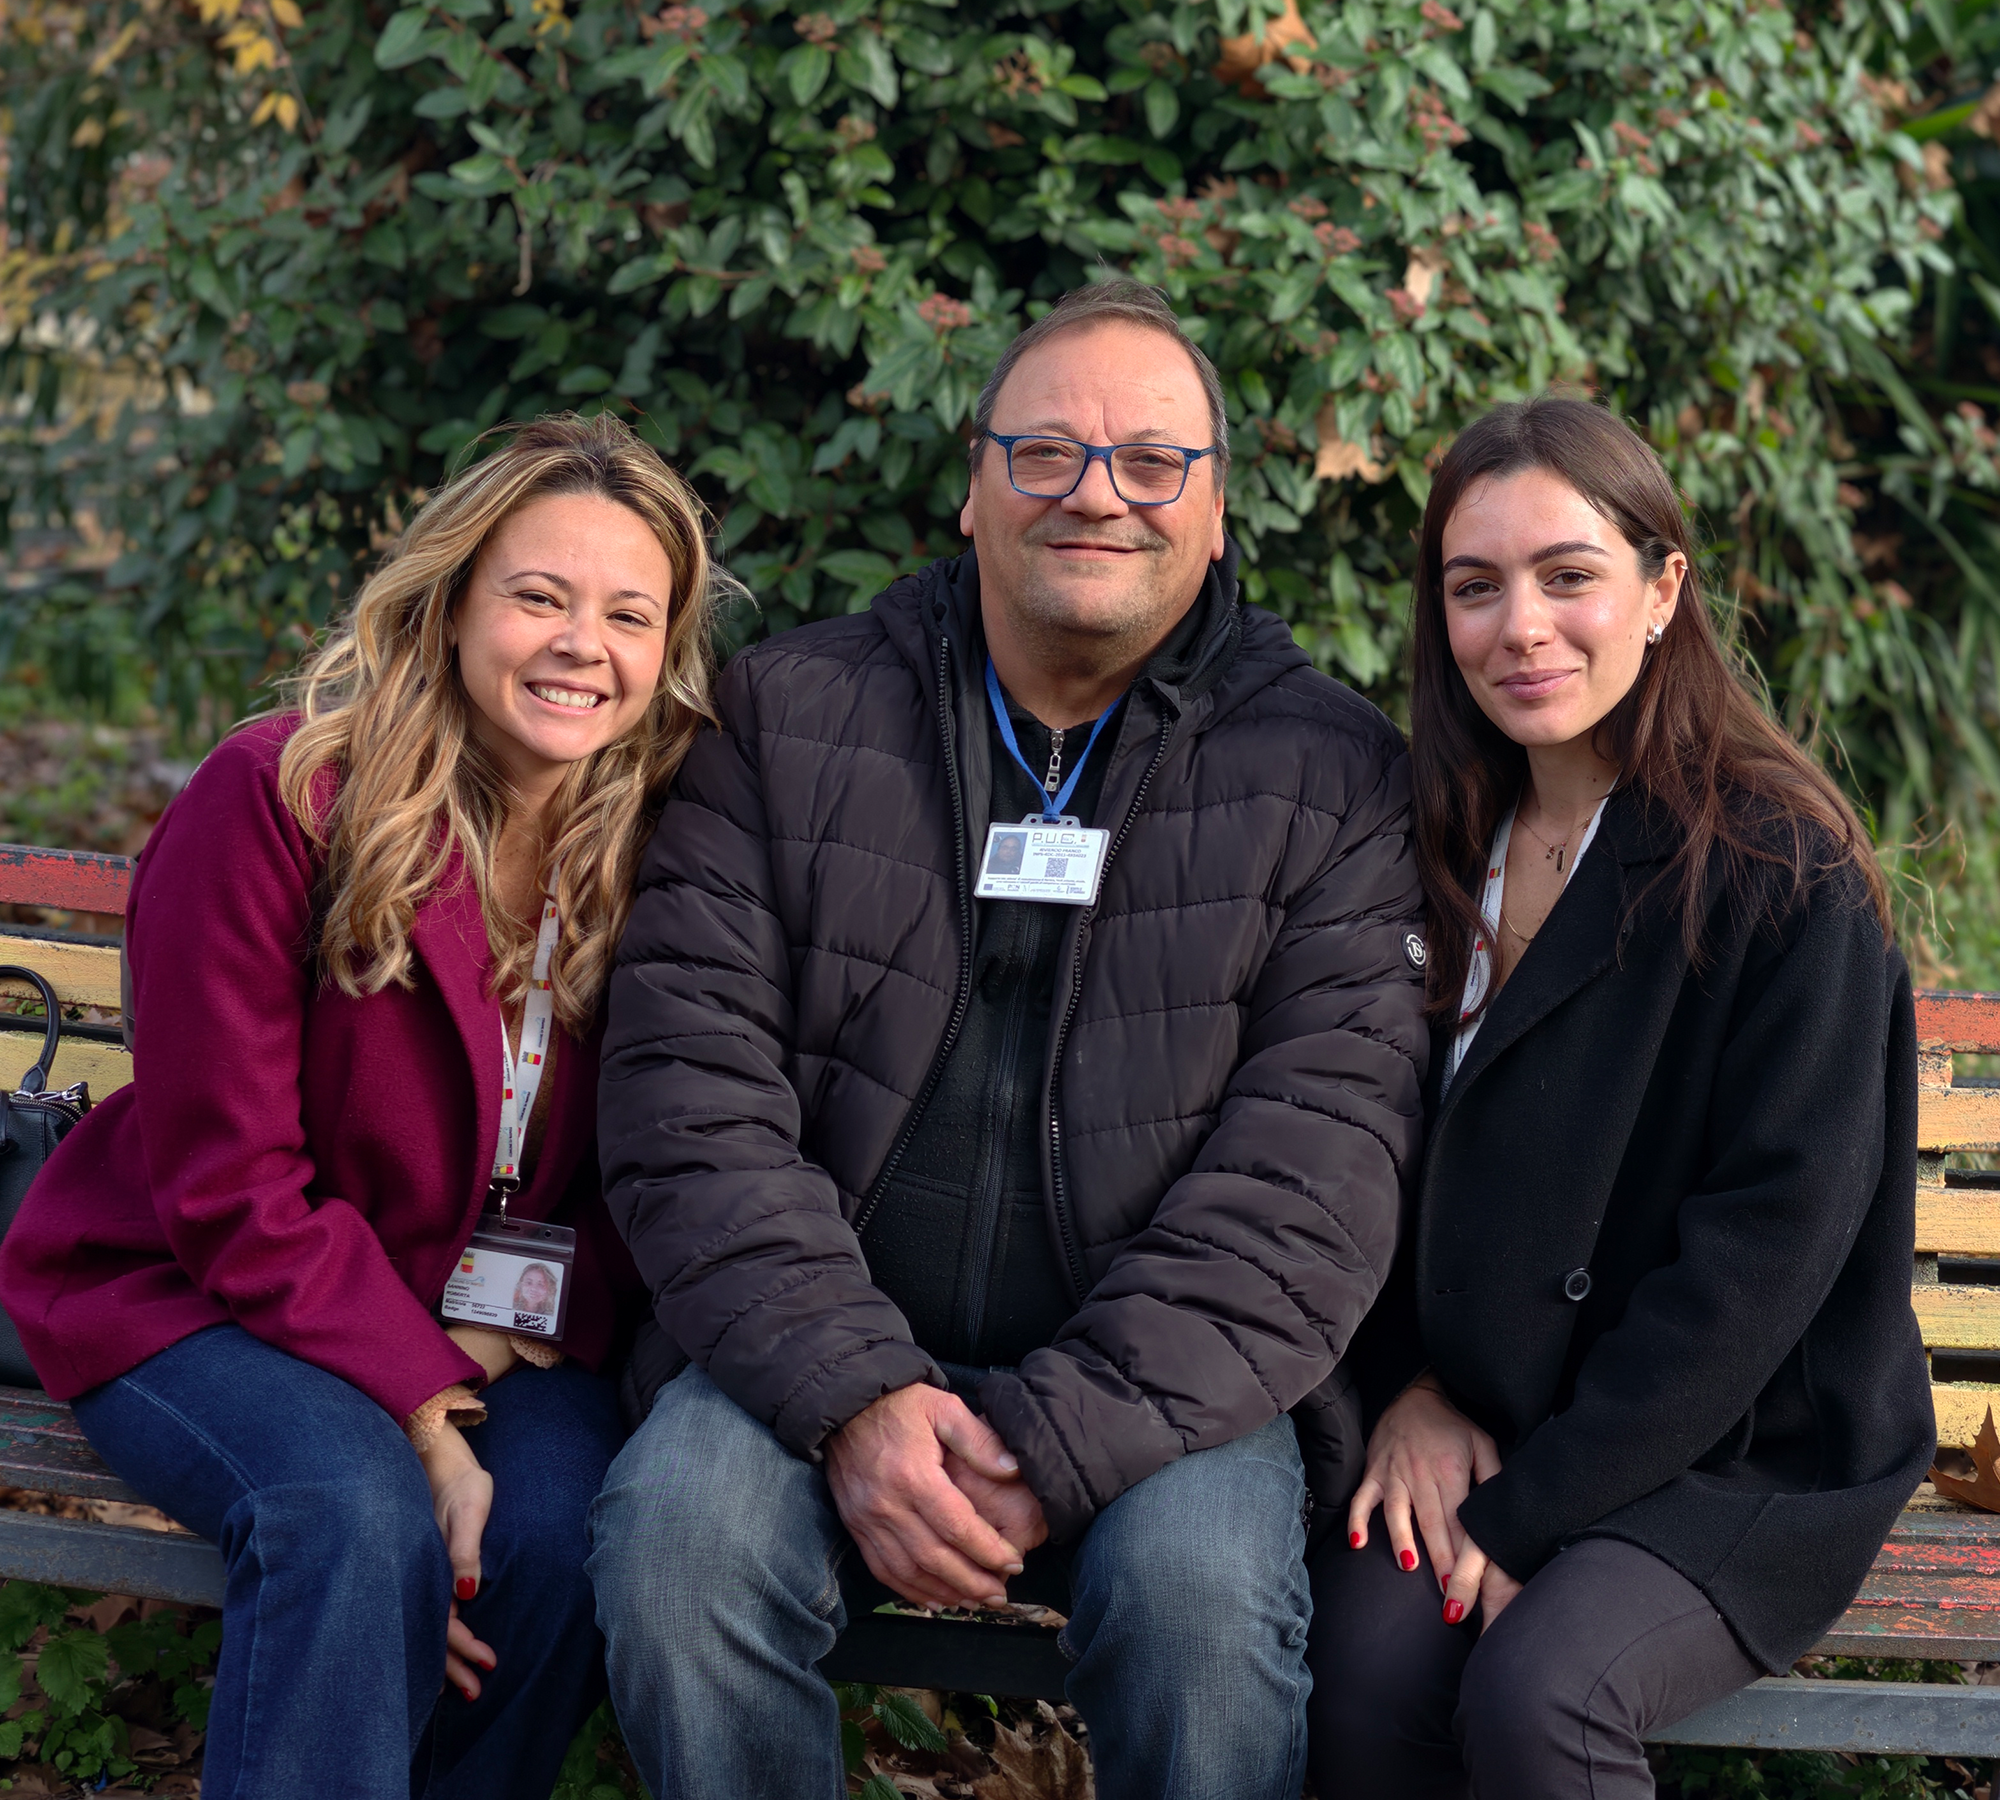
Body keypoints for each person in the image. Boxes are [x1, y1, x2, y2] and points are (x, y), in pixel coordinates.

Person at [587, 278, 1430, 1800]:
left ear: (1218, 511)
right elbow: (684, 1099)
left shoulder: (1336, 776)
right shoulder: (786, 719)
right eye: (1045, 452)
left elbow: (1315, 1178)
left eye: (1151, 461)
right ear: (972, 490)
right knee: (678, 1544)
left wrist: (1050, 1441)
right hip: (814, 1355)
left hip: (1173, 1393)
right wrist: (851, 1397)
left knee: (1201, 1607)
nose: (1097, 493)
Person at [0, 412, 724, 1800]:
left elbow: (667, 1157)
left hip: (501, 1316)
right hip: (201, 1289)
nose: (584, 643)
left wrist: (497, 1346)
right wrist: (427, 1408)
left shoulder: (662, 843)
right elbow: (227, 1186)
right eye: (539, 596)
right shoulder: (283, 800)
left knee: (565, 1531)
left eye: (630, 613)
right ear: (453, 605)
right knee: (348, 1512)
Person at [1305, 396, 1935, 1799]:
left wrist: (1536, 1514)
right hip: (1488, 1411)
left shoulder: (1782, 873)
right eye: (1477, 588)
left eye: (1568, 575)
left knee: (1545, 1692)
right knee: (1353, 1672)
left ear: (1662, 592)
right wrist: (1405, 1385)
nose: (1521, 626)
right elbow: (1358, 1149)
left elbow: (1762, 1262)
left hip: (1738, 1446)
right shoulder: (1422, 844)